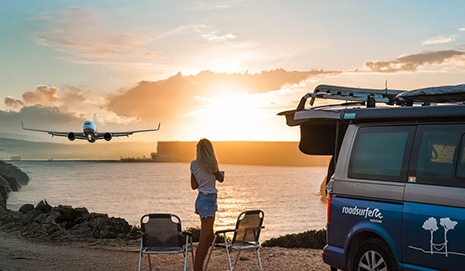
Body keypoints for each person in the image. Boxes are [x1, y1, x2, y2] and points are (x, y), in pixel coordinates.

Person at [190, 138, 224, 271]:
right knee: (205, 238)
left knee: (207, 236)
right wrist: (214, 174)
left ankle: (199, 267)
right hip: (209, 200)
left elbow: (194, 185)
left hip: (201, 199)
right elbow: (220, 179)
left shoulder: (193, 164)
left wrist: (203, 179)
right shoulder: (212, 164)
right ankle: (197, 268)